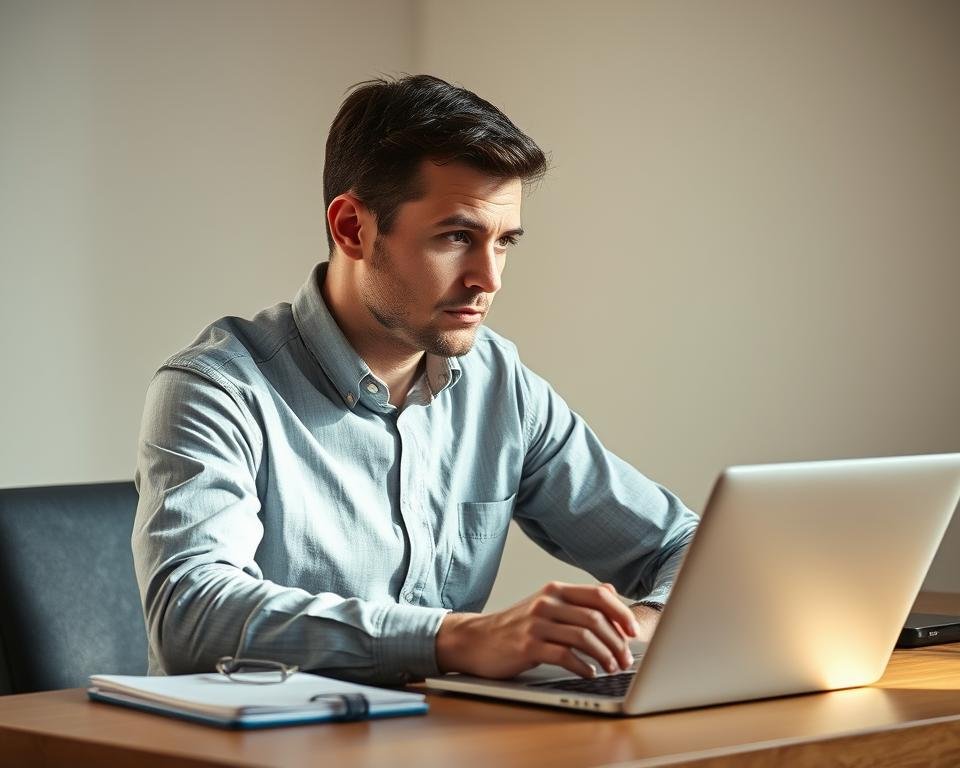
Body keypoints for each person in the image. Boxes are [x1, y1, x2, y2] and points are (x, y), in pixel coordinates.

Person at [132, 74, 699, 686]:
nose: (489, 279)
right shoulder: (215, 390)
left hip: (443, 740)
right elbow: (190, 614)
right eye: (457, 237)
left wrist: (636, 628)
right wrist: (455, 637)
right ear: (352, 228)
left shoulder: (498, 385)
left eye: (504, 242)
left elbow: (688, 547)